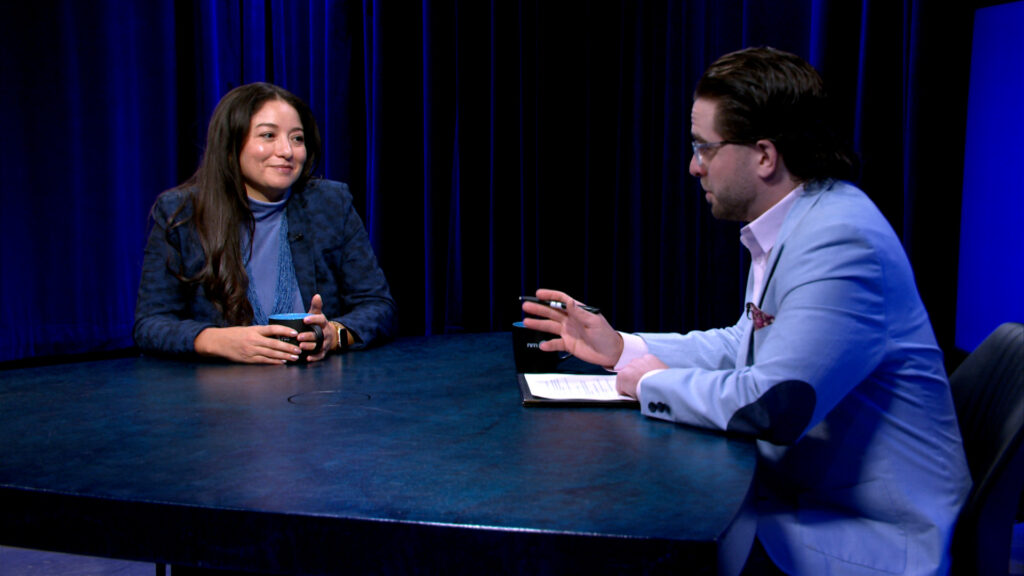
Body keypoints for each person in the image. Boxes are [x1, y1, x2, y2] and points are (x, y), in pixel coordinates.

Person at [522, 47, 970, 575]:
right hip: (809, 496)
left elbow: (776, 405)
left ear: (764, 155)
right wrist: (622, 348)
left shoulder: (839, 240)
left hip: (872, 538)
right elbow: (744, 346)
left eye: (704, 148)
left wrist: (650, 384)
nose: (693, 166)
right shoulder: (802, 221)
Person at [135, 82, 396, 363]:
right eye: (269, 135)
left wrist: (334, 334)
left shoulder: (331, 203)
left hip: (319, 394)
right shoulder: (181, 212)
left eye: (297, 138)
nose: (287, 151)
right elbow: (150, 324)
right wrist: (215, 340)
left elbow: (378, 306)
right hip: (220, 397)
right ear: (231, 145)